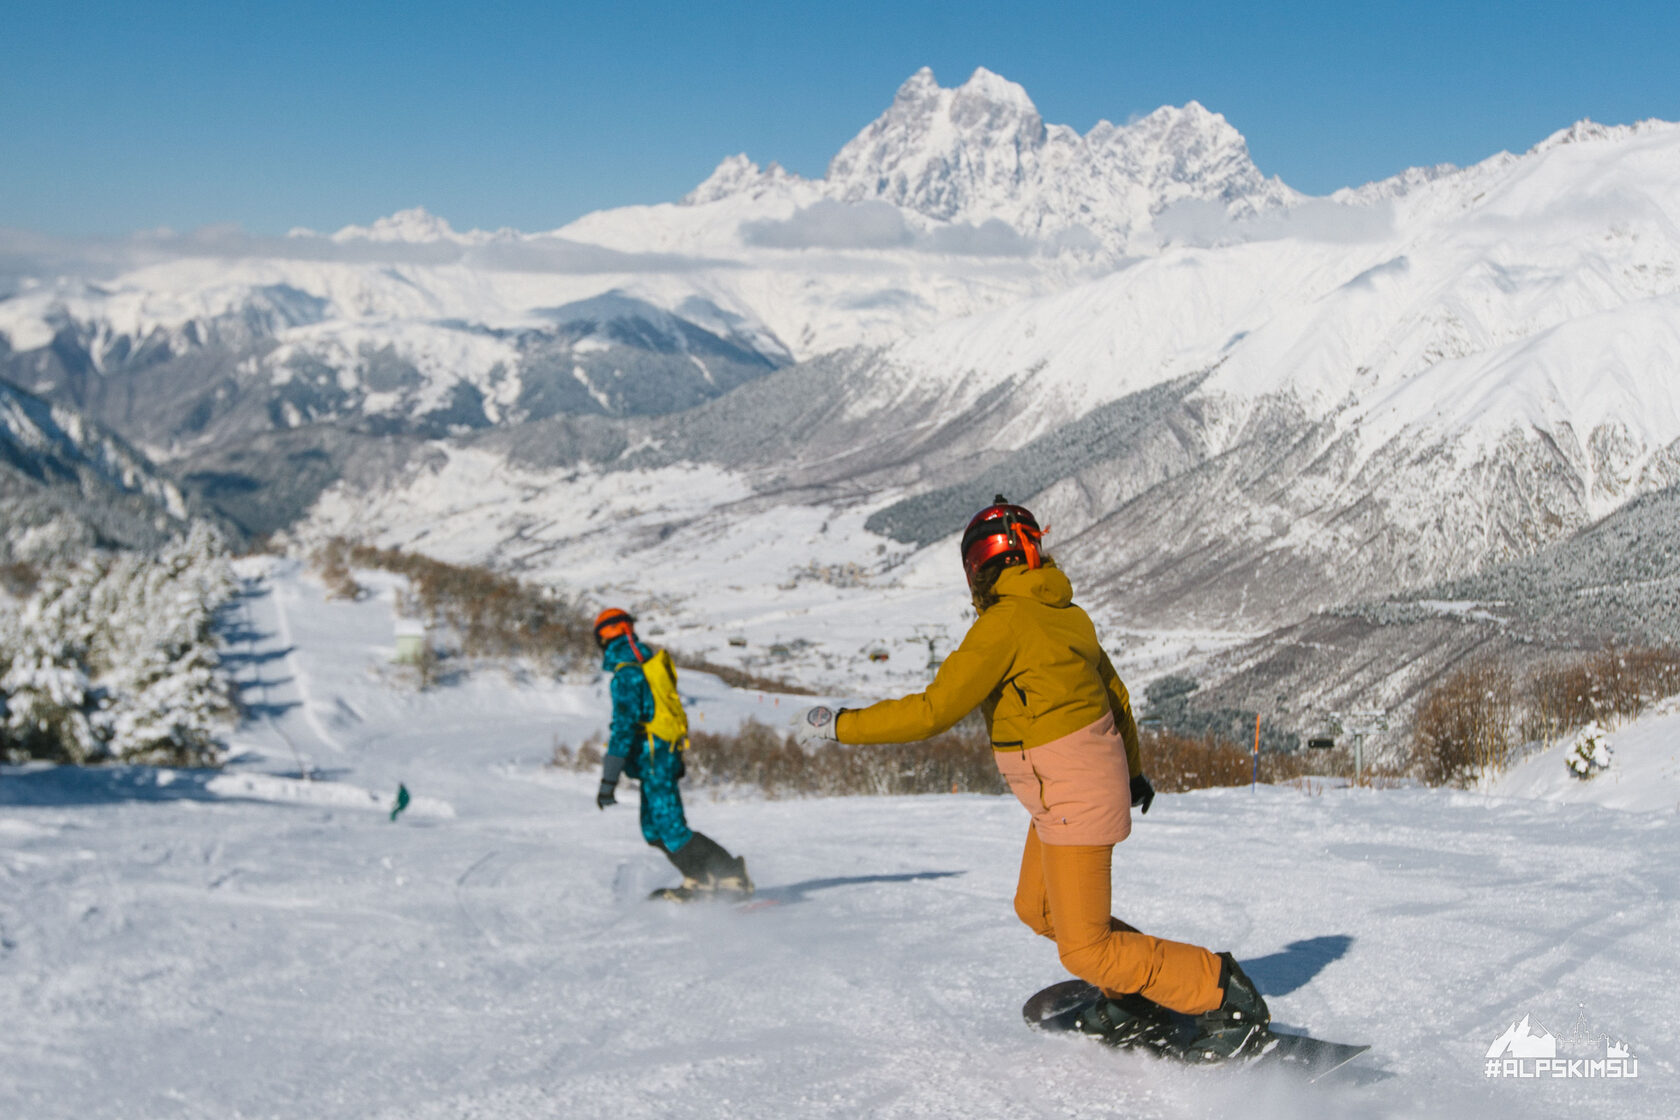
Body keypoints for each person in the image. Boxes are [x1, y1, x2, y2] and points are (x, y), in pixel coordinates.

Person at [796, 496, 1269, 1060]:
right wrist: (1134, 771)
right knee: (1038, 909)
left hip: (1073, 792)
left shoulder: (1005, 623)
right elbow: (1115, 697)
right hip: (1065, 789)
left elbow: (931, 711)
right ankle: (1137, 994)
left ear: (977, 567)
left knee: (1085, 949)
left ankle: (1223, 994)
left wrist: (838, 726)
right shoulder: (1066, 613)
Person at [593, 608, 752, 898]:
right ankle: (700, 877)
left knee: (670, 827)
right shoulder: (639, 663)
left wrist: (609, 779)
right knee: (653, 829)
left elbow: (624, 729)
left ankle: (731, 875)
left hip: (656, 758)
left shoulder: (628, 672)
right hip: (656, 757)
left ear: (604, 636)